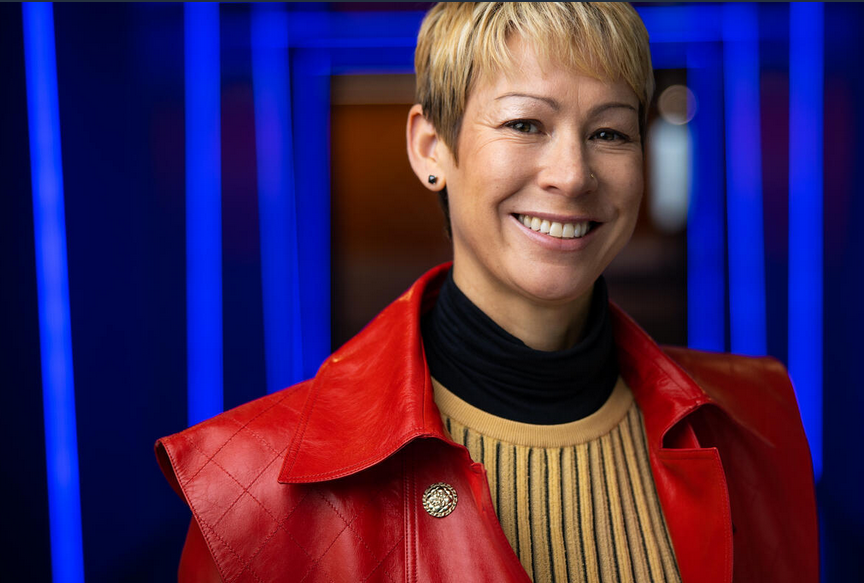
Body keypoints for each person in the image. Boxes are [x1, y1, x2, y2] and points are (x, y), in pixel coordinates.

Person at [155, 3, 817, 582]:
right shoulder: (249, 485)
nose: (571, 174)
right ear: (430, 147)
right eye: (526, 124)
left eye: (609, 132)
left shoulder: (756, 422)